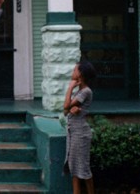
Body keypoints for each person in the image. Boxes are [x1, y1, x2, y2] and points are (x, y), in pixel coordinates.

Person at [62, 61, 97, 194]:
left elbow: (66, 107)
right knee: (74, 169)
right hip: (73, 132)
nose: (72, 72)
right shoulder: (80, 91)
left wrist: (70, 88)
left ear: (80, 74)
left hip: (81, 133)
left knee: (84, 170)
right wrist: (70, 108)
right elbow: (65, 111)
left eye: (75, 70)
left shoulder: (86, 91)